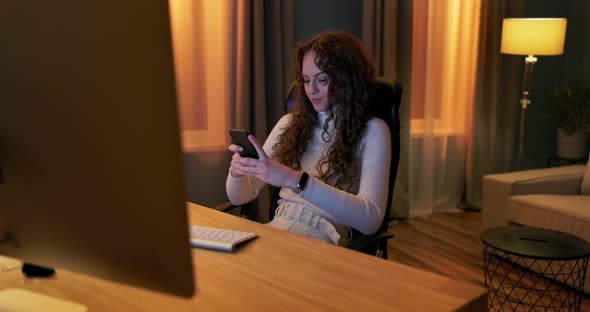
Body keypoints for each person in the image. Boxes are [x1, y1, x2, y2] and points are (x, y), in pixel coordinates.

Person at [226, 30, 391, 245]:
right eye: (305, 80)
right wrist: (238, 173)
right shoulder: (289, 124)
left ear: (347, 80)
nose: (311, 90)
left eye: (322, 80)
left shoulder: (373, 131)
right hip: (277, 230)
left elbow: (371, 220)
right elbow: (240, 197)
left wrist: (295, 180)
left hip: (322, 241)